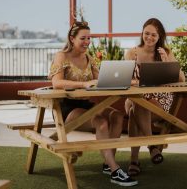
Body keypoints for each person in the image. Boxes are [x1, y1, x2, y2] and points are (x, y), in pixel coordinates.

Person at [48, 21, 138, 187]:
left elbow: (102, 80)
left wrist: (130, 81)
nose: (87, 42)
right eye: (83, 38)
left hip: (86, 105)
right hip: (67, 109)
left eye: (89, 38)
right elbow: (56, 83)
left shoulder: (88, 58)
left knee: (117, 116)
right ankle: (115, 171)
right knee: (101, 122)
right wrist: (83, 84)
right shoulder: (62, 56)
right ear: (72, 38)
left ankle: (107, 163)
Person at [124, 18, 185, 176]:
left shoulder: (166, 52)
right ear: (142, 33)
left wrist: (166, 63)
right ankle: (152, 146)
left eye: (153, 35)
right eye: (146, 33)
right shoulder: (132, 53)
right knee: (137, 103)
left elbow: (181, 80)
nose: (149, 37)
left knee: (134, 112)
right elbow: (124, 79)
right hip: (135, 96)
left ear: (159, 37)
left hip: (159, 100)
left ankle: (134, 161)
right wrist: (134, 79)